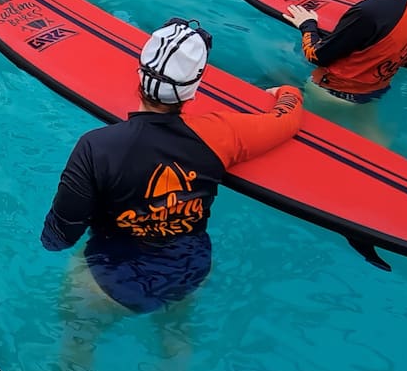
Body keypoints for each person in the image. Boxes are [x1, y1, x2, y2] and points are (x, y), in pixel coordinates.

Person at [42, 19, 303, 313]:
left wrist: (50, 241)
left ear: (139, 76)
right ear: (193, 92)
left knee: (78, 344)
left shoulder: (96, 147)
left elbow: (61, 235)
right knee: (176, 342)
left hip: (109, 275)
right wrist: (289, 92)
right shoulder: (223, 134)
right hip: (189, 268)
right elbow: (287, 121)